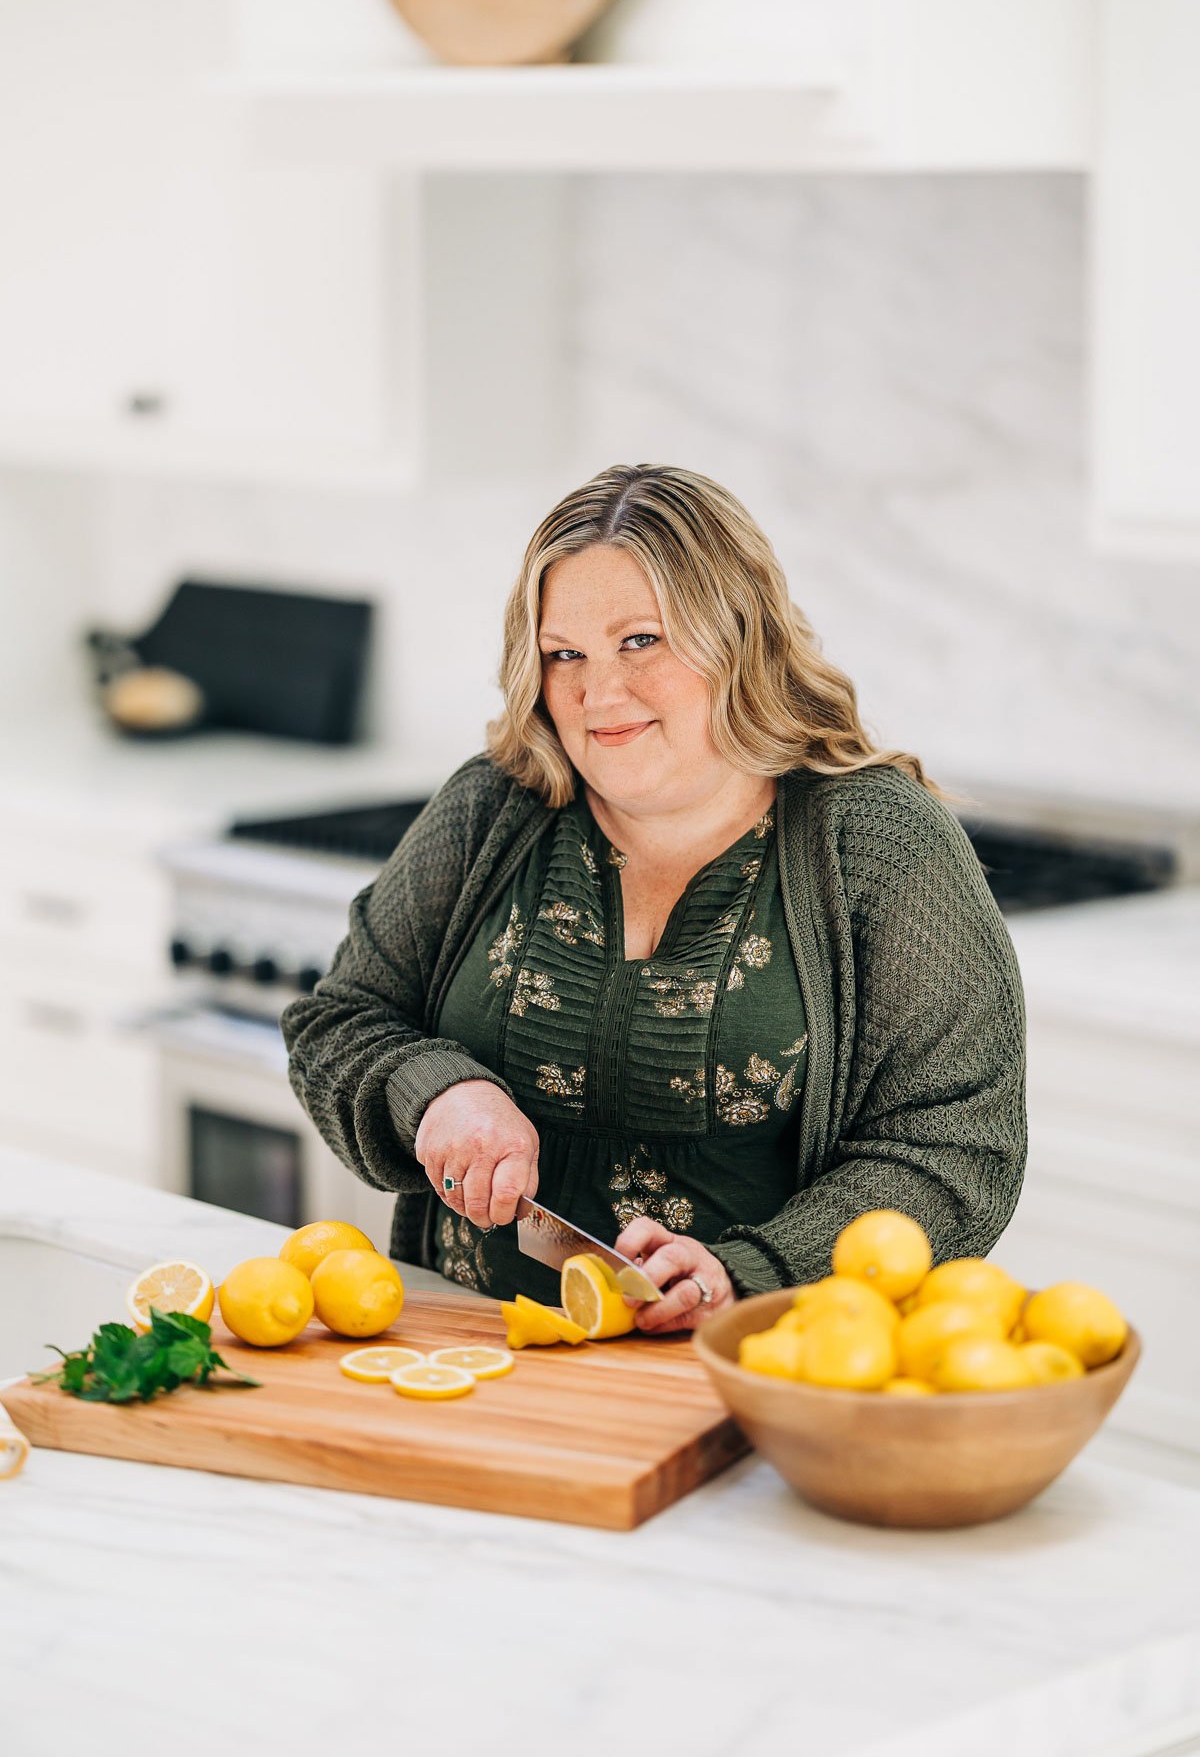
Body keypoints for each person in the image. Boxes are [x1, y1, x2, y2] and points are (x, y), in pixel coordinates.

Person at [281, 463, 1026, 1334]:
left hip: (756, 1368)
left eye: (641, 640)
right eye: (566, 655)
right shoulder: (496, 804)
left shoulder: (879, 843)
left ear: (736, 636)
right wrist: (436, 1092)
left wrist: (750, 1274)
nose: (599, 693)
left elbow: (955, 1152)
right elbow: (336, 1023)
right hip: (466, 1359)